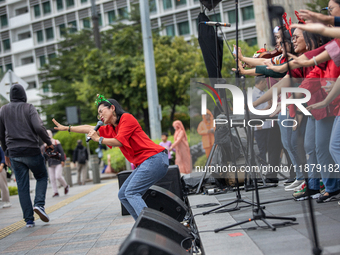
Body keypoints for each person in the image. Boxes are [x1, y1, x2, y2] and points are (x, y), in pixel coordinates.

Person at [53, 94, 169, 220]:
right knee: (123, 195)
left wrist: (98, 139)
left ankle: (150, 226)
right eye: (98, 114)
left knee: (131, 192)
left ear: (112, 108)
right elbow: (88, 128)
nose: (100, 116)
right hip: (147, 162)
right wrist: (67, 128)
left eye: (101, 111)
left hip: (154, 159)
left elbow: (119, 141)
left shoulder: (126, 118)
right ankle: (142, 225)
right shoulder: (111, 128)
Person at [0, 84, 51, 227]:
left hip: (14, 153)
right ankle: (39, 204)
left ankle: (29, 220)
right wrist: (48, 142)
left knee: (22, 186)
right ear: (24, 95)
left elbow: (1, 134)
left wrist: (6, 153)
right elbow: (39, 127)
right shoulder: (29, 108)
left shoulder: (3, 110)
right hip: (31, 150)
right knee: (41, 176)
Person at [41, 130, 69, 197]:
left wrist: (62, 160)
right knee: (52, 178)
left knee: (58, 176)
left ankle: (65, 186)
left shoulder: (56, 142)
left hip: (58, 162)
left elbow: (61, 152)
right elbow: (43, 156)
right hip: (50, 163)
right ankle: (55, 192)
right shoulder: (44, 145)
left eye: (48, 134)